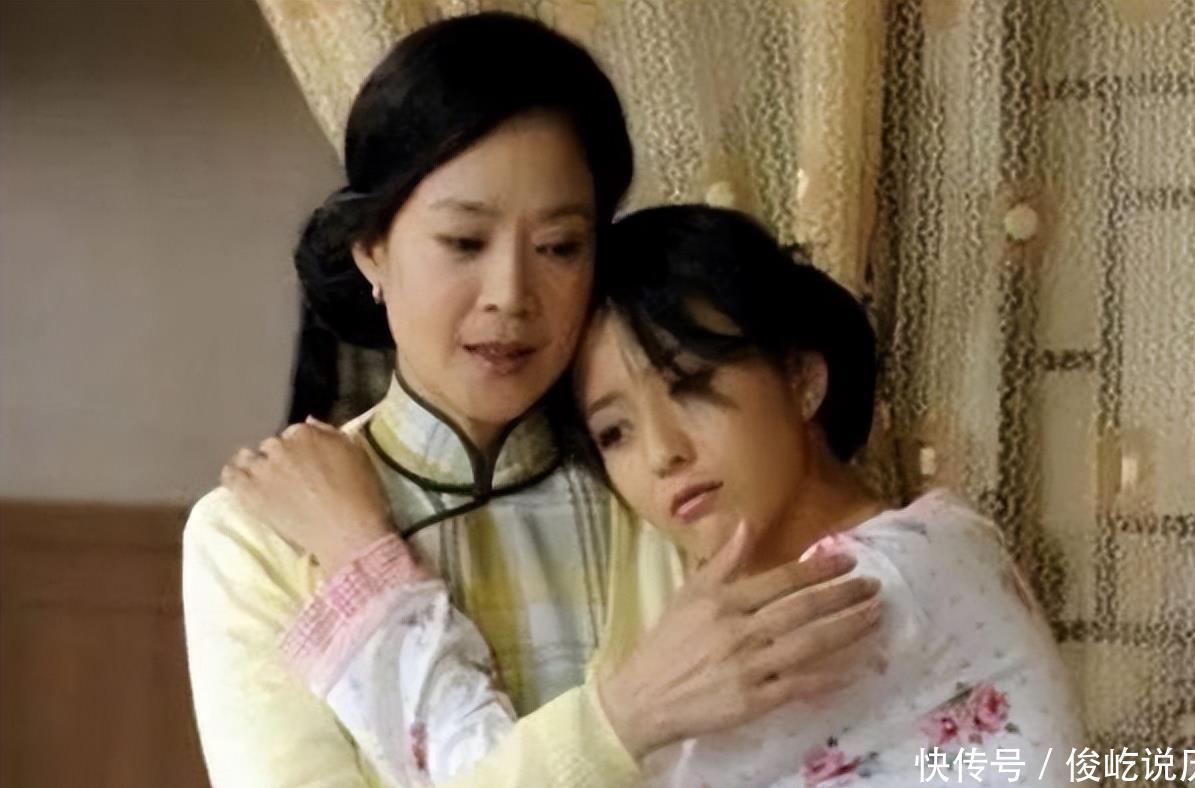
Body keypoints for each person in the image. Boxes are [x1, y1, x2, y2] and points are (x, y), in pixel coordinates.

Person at [186, 14, 880, 788]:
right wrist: (622, 720)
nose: (511, 295)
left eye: (559, 247)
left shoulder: (668, 481)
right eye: (464, 242)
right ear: (373, 250)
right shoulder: (255, 537)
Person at [229, 206, 1084, 786]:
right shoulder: (937, 539)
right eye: (615, 433)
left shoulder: (858, 594)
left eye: (692, 386)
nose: (665, 453)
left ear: (802, 379)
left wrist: (359, 555)